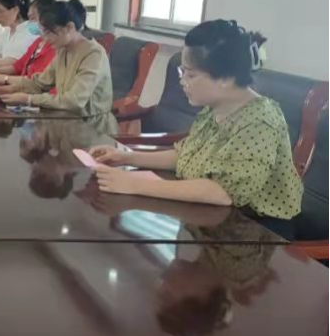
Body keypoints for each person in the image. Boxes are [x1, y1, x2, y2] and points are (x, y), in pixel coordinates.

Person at [90, 20, 302, 224]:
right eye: (182, 72)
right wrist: (128, 157)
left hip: (253, 228)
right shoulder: (215, 108)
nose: (182, 81)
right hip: (208, 215)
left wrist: (134, 184)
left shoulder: (260, 121)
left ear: (225, 78)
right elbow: (185, 155)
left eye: (190, 75)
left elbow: (221, 193)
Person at [0, 0, 116, 131]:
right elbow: (40, 83)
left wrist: (28, 99)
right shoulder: (63, 50)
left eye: (49, 33)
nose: (45, 39)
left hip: (92, 129)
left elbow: (74, 101)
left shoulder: (93, 54)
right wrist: (8, 89)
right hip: (66, 122)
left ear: (69, 27)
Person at [0, 0, 56, 80]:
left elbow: (37, 82)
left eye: (33, 18)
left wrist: (3, 79)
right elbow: (17, 66)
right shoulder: (38, 42)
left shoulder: (53, 47)